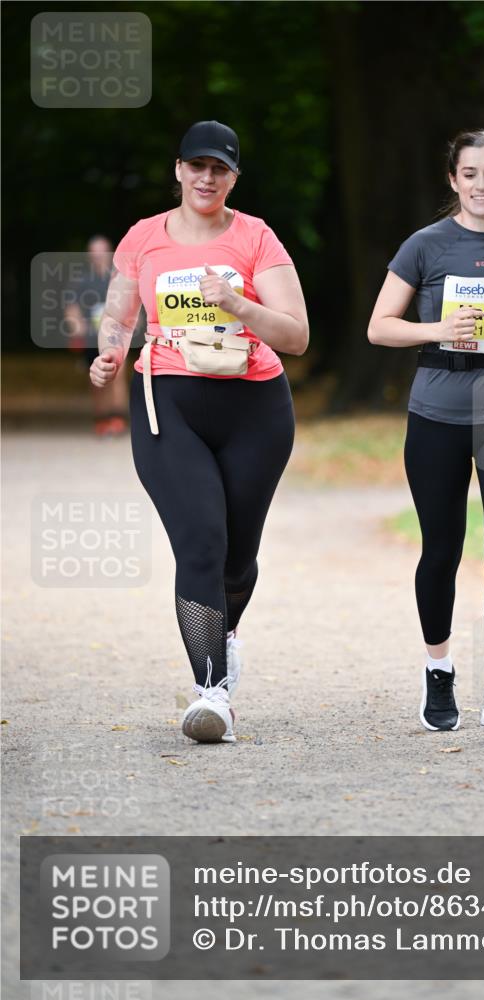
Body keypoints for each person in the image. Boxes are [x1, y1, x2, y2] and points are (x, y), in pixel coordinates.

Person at [89, 120, 308, 744]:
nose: (206, 178)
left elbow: (296, 335)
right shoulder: (143, 238)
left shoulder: (256, 237)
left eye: (220, 169)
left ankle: (225, 631)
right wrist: (110, 352)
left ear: (233, 178)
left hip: (255, 407)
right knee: (201, 543)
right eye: (197, 166)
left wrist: (238, 304)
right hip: (168, 402)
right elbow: (118, 316)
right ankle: (212, 693)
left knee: (238, 559)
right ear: (179, 170)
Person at [368, 129, 484, 732]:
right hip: (436, 416)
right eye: (470, 173)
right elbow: (379, 326)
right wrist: (438, 331)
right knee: (442, 549)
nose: (481, 184)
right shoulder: (425, 245)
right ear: (454, 180)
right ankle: (439, 670)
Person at [64, 235, 130, 436]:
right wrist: (76, 325)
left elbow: (132, 305)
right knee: (98, 379)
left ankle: (118, 418)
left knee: (118, 374)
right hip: (92, 338)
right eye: (95, 252)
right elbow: (72, 308)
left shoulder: (119, 278)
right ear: (89, 255)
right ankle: (102, 418)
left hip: (116, 336)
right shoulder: (80, 282)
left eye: (102, 252)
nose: (98, 256)